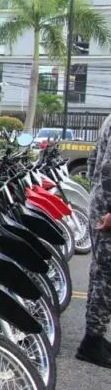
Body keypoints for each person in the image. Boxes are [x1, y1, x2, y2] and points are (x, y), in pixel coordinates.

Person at [80, 113, 111, 368]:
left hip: (100, 202)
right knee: (105, 276)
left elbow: (92, 162)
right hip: (107, 210)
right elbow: (108, 167)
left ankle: (95, 338)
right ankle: (92, 341)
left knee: (100, 272)